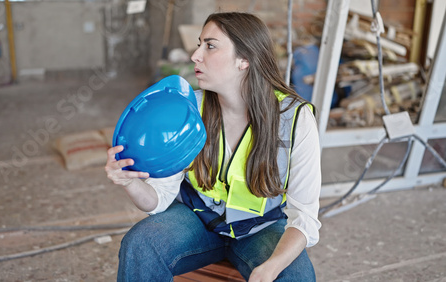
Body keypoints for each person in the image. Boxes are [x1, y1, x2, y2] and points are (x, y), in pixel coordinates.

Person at [105, 12, 321, 282]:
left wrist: (269, 269)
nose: (195, 55)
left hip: (262, 228)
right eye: (199, 44)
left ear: (245, 59)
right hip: (196, 220)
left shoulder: (294, 118)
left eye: (210, 46)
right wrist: (130, 183)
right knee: (142, 244)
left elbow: (305, 217)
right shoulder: (188, 110)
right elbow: (159, 199)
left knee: (295, 276)